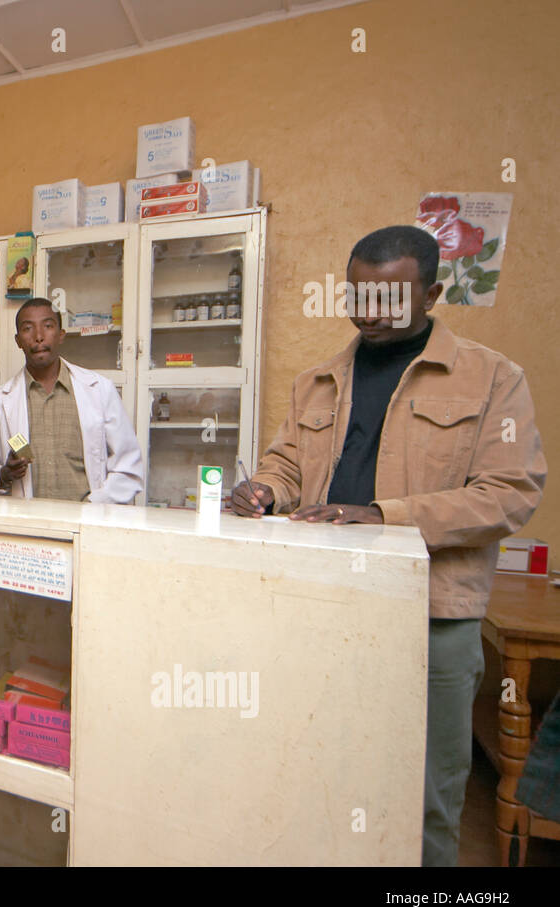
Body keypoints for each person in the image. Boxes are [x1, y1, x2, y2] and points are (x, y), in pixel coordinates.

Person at [231, 225, 547, 866]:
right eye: (357, 295)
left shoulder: (492, 378)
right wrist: (263, 491)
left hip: (431, 617)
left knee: (425, 793)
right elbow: (286, 466)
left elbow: (510, 492)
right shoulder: (318, 381)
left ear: (432, 293)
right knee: (319, 769)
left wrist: (382, 515)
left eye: (391, 299)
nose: (369, 313)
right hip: (324, 605)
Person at [0, 297, 144, 503]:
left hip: (87, 521)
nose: (38, 337)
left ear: (61, 335)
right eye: (28, 328)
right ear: (18, 341)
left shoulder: (100, 390)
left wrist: (95, 505)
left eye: (48, 326)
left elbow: (129, 468)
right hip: (28, 524)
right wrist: (4, 474)